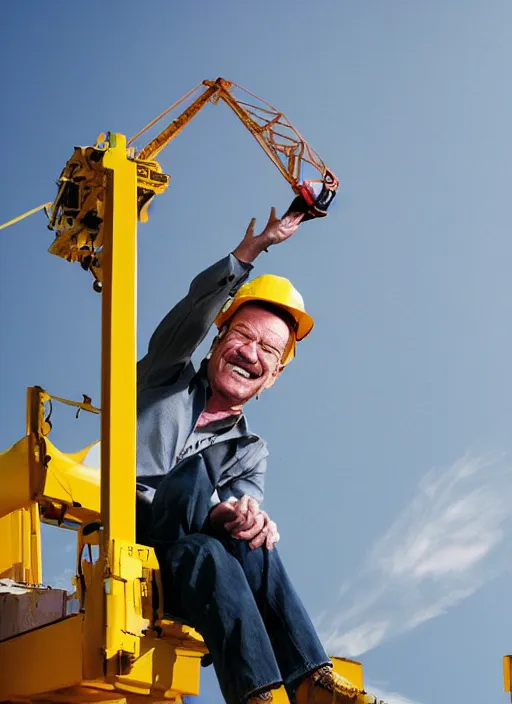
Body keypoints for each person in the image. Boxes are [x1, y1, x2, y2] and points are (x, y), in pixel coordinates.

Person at [136, 207, 377, 704]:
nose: (251, 352)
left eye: (268, 350)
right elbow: (191, 313)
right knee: (195, 476)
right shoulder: (164, 377)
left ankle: (293, 685)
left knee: (239, 543)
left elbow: (239, 514)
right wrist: (252, 250)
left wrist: (249, 519)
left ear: (274, 377)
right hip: (129, 532)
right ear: (216, 341)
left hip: (188, 567)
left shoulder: (250, 452)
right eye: (242, 335)